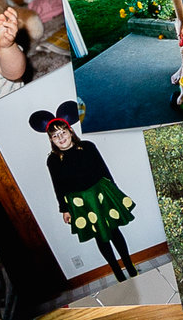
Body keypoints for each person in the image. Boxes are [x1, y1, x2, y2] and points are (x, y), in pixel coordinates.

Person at [32, 101, 138, 281]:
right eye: (55, 136)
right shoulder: (53, 160)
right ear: (51, 139)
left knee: (114, 231)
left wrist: (114, 191)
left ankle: (129, 265)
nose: (60, 137)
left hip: (101, 194)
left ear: (70, 131)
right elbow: (58, 186)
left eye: (63, 132)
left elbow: (104, 170)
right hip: (81, 202)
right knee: (100, 236)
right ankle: (117, 271)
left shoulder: (88, 146)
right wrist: (64, 209)